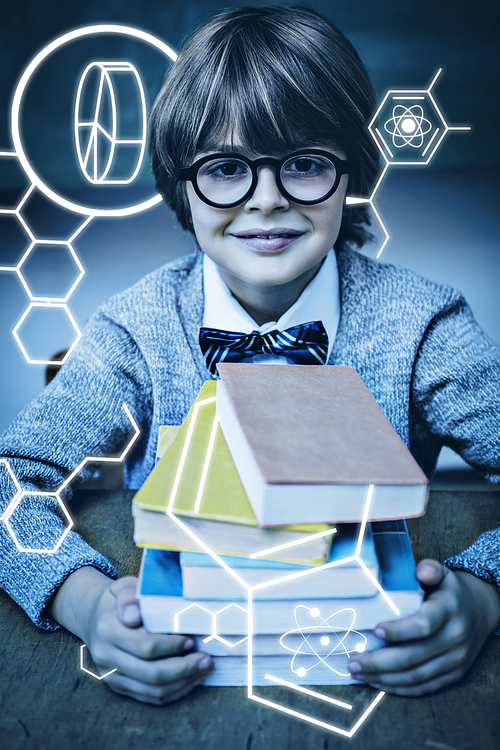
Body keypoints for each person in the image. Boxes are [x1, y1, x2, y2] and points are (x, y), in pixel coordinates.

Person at [0, 6, 499, 705]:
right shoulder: (136, 328)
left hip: (369, 681)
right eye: (227, 168)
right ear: (181, 183)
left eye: (303, 163)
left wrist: (483, 593)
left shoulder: (424, 325)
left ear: (350, 170)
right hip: (190, 672)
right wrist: (83, 603)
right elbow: (7, 484)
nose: (267, 202)